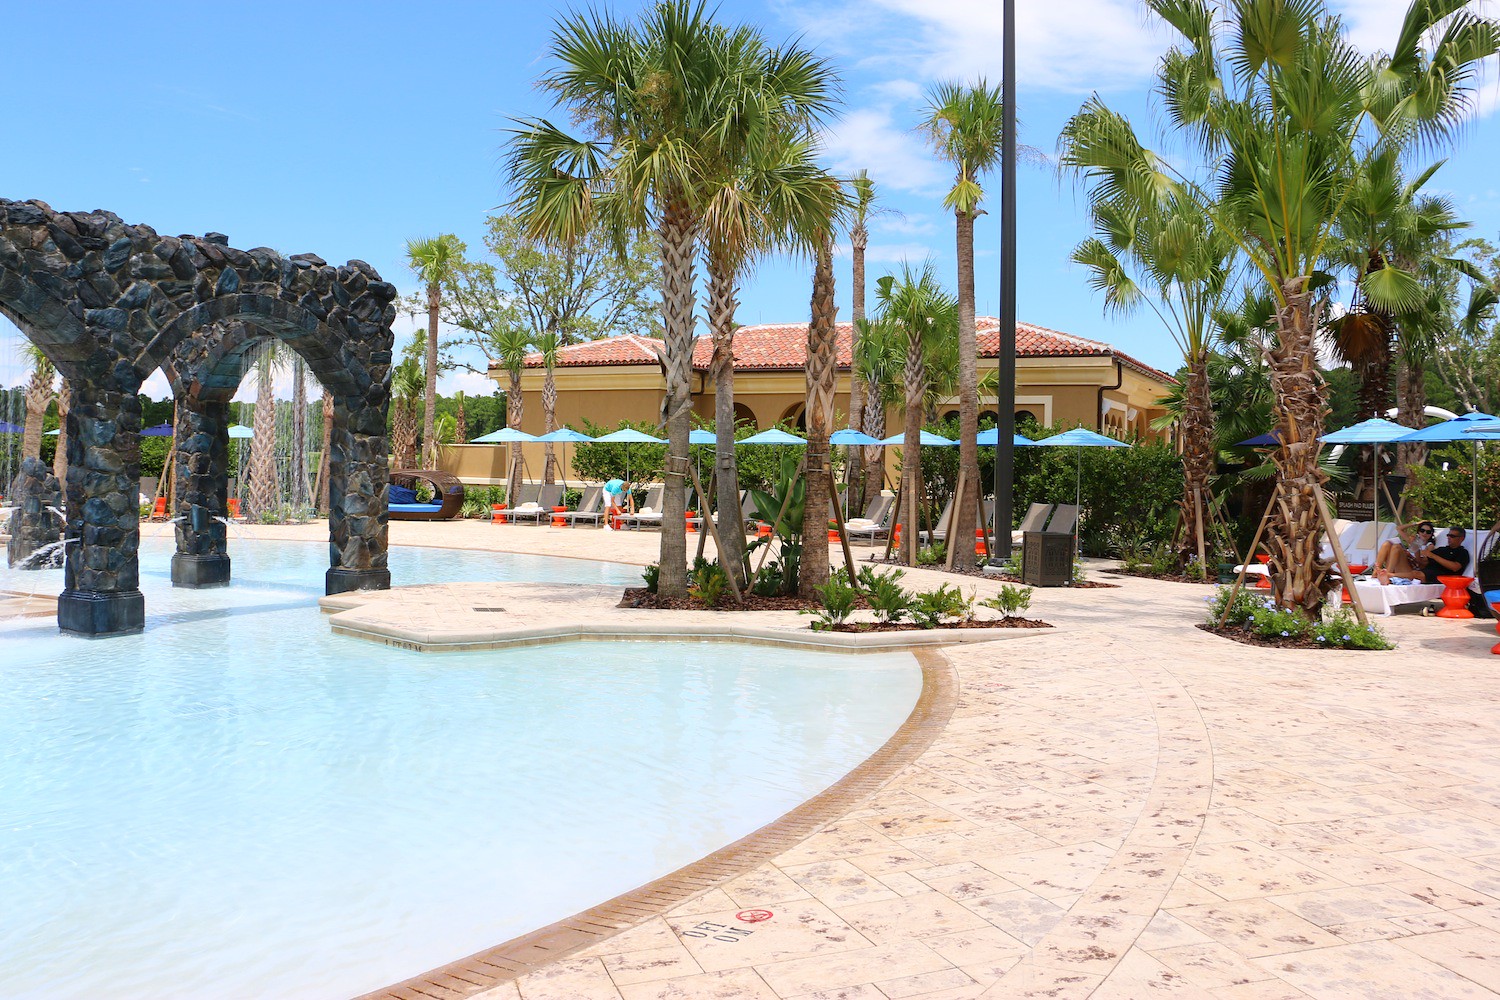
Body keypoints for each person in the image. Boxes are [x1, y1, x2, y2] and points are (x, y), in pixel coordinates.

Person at [1373, 520, 1435, 584]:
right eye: (1422, 530)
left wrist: (1410, 555)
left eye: (1428, 532)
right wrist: (1415, 523)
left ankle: (1387, 574)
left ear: (1431, 534)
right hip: (1400, 564)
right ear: (1418, 531)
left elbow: (1423, 564)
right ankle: (1375, 573)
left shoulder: (1430, 546)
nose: (1424, 533)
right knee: (1387, 544)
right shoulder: (1413, 541)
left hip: (1412, 570)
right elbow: (1399, 528)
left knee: (1396, 547)